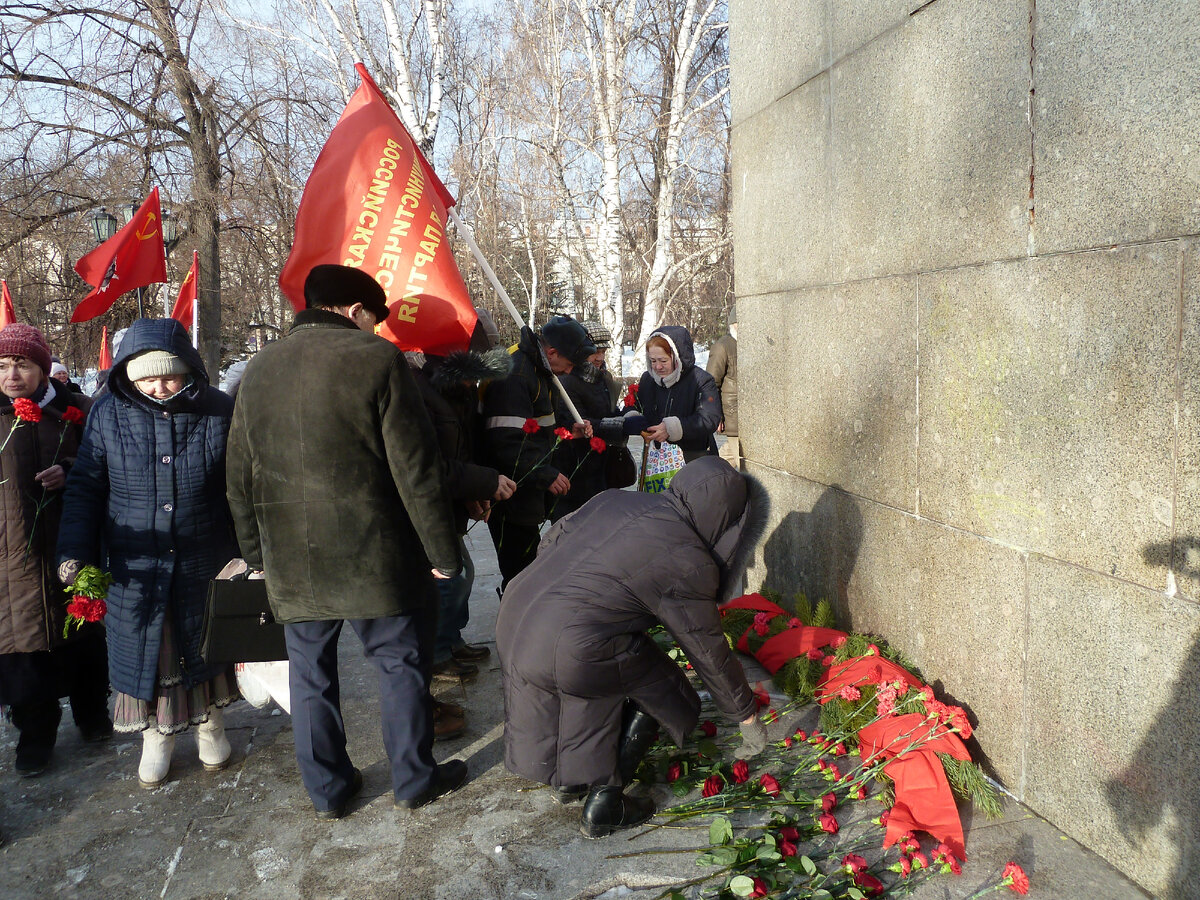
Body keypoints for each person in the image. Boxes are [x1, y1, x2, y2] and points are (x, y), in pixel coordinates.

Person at [226, 264, 467, 819]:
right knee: (399, 664)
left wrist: (257, 556)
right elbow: (416, 468)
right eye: (374, 318)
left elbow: (238, 474)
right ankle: (414, 779)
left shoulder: (259, 369)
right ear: (355, 310)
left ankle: (329, 791)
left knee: (309, 674)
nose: (376, 329)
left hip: (292, 559)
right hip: (375, 554)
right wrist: (441, 553)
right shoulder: (377, 360)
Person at [497, 457, 770, 837]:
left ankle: (569, 781)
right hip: (571, 645)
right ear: (727, 523)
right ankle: (606, 802)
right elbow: (707, 651)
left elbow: (555, 536)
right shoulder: (688, 557)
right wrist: (746, 716)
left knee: (581, 681)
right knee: (661, 688)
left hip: (516, 615)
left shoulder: (618, 499)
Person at [57, 318, 240, 788]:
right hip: (135, 563)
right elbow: (85, 489)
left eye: (170, 375)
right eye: (146, 376)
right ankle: (156, 735)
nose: (158, 386)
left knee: (201, 644)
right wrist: (74, 552)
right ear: (127, 374)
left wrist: (252, 552)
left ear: (189, 371)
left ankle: (209, 725)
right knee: (151, 649)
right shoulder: (107, 413)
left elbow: (242, 485)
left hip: (204, 556)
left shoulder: (219, 409)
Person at [0, 323, 110, 776]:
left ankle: (93, 715)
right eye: (3, 366)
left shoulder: (78, 411)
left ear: (43, 369)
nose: (11, 375)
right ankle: (35, 735)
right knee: (24, 650)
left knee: (83, 634)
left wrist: (69, 470)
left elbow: (103, 466)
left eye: (22, 364)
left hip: (71, 546)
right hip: (13, 559)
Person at [409, 320, 517, 700]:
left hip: (452, 500)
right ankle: (436, 655)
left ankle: (450, 640)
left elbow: (465, 447)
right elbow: (429, 464)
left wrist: (474, 491)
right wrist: (483, 482)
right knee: (450, 576)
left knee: (463, 574)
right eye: (475, 374)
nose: (478, 384)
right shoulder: (422, 392)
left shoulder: (463, 393)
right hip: (427, 507)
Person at [481, 315, 594, 591]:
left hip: (528, 490)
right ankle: (516, 624)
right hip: (511, 493)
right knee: (519, 571)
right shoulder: (516, 375)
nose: (568, 373)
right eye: (568, 365)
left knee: (530, 565)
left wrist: (569, 431)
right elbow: (506, 441)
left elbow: (540, 423)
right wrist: (545, 473)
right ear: (552, 352)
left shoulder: (539, 369)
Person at [547, 320, 626, 521]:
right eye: (594, 352)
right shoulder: (566, 380)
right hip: (573, 470)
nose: (599, 358)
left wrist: (628, 413)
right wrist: (623, 425)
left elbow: (607, 411)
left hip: (599, 467)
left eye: (603, 351)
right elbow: (578, 421)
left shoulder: (602, 378)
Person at [625, 325, 721, 463]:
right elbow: (634, 405)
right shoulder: (648, 379)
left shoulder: (700, 380)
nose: (658, 367)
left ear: (677, 357)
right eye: (653, 361)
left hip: (694, 459)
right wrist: (633, 419)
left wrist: (673, 427)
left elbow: (709, 418)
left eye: (663, 361)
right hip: (657, 461)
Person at [706, 305, 739, 467]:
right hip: (733, 415)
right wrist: (716, 415)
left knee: (726, 460)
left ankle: (705, 475)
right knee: (743, 463)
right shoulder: (723, 346)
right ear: (735, 324)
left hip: (745, 417)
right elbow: (710, 383)